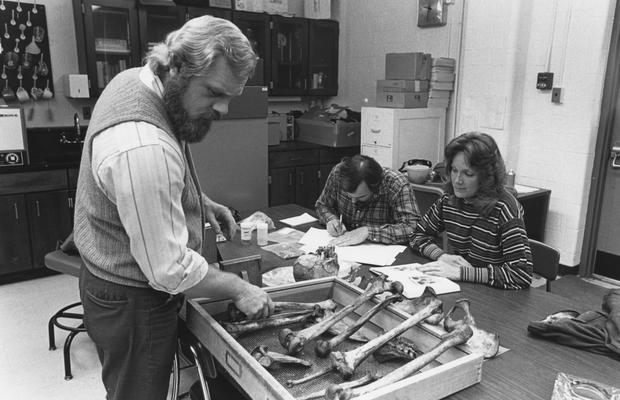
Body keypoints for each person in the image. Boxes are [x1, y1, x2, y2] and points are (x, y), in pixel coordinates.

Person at [73, 16, 273, 400]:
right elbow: (168, 270)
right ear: (177, 67)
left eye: (230, 96)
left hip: (109, 278)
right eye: (214, 92)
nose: (224, 109)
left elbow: (142, 190)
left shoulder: (136, 80)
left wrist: (200, 202)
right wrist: (237, 287)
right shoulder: (143, 146)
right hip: (133, 299)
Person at [410, 132, 533, 290]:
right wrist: (441, 256)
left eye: (468, 174)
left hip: (497, 294)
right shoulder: (449, 199)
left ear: (486, 177)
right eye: (454, 170)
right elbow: (417, 235)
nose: (457, 180)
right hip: (466, 287)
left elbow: (521, 274)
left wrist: (464, 273)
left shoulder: (505, 209)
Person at [315, 154, 420, 246]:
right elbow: (322, 205)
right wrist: (331, 219)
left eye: (361, 197)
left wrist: (368, 232)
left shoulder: (396, 183)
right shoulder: (339, 173)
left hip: (380, 252)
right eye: (349, 196)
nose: (353, 202)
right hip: (344, 244)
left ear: (376, 186)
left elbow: (412, 228)